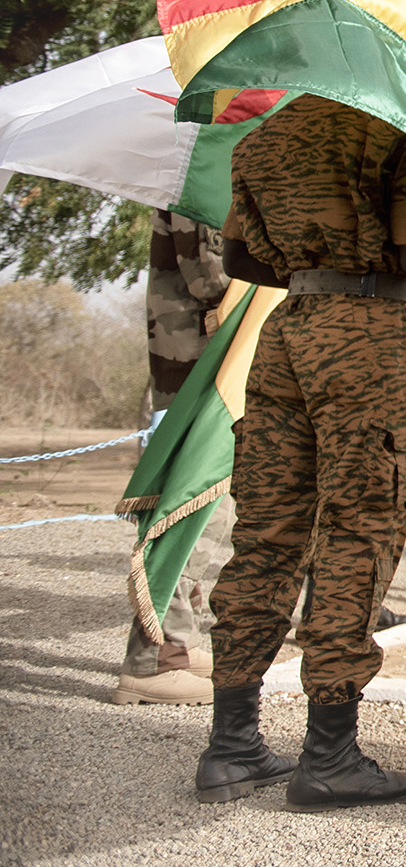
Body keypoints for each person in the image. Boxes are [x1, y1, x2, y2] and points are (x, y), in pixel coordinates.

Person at [195, 96, 406, 810]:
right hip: (366, 333)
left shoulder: (262, 138)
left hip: (287, 331)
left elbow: (239, 254)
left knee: (266, 533)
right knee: (359, 529)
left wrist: (310, 263)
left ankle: (232, 746)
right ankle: (330, 754)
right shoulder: (395, 126)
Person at [117, 209, 234, 706]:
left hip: (200, 362)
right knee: (194, 504)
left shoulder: (210, 160)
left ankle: (182, 641)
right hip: (197, 366)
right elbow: (215, 279)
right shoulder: (206, 172)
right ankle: (154, 658)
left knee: (211, 500)